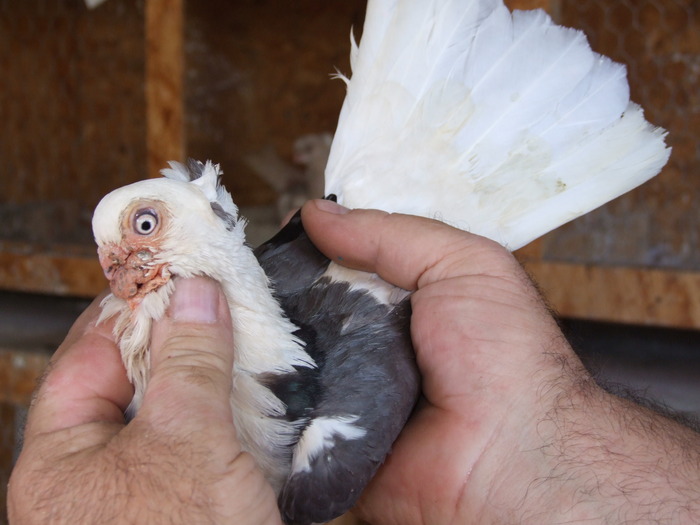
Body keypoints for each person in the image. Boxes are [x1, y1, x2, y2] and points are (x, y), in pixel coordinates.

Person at [8, 199, 700, 524]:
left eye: (144, 226)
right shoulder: (147, 347)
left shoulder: (320, 453)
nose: (116, 262)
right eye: (113, 247)